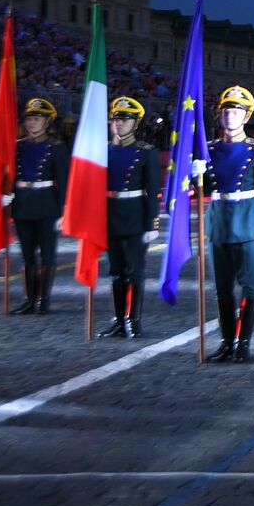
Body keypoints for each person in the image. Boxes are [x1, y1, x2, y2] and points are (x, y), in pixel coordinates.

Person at [198, 86, 254, 364]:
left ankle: (243, 342)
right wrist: (195, 174)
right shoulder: (208, 150)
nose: (231, 116)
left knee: (250, 287)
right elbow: (203, 189)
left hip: (247, 223)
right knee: (222, 289)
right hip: (218, 223)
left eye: (237, 111)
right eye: (227, 111)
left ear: (246, 117)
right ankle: (226, 342)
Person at [99, 97, 161, 338]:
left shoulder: (146, 152)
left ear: (135, 124)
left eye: (125, 121)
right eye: (115, 119)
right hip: (109, 216)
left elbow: (152, 189)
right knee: (116, 271)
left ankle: (133, 320)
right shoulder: (103, 150)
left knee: (134, 271)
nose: (119, 124)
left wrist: (151, 223)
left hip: (134, 216)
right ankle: (118, 320)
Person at [7, 99, 68, 315]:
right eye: (29, 119)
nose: (31, 123)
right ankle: (29, 300)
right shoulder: (17, 146)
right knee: (27, 254)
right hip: (23, 204)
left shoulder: (56, 148)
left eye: (37, 119)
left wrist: (63, 210)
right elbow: (6, 174)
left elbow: (64, 181)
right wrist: (6, 194)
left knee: (48, 254)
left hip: (47, 206)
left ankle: (44, 300)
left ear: (47, 122)